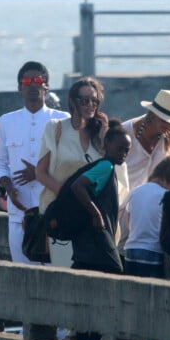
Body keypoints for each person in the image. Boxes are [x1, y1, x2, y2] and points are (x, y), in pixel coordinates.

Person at [0, 61, 69, 264]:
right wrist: (8, 186)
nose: (33, 85)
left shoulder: (63, 121)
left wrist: (37, 172)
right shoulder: (6, 121)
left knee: (57, 270)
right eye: (27, 81)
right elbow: (0, 162)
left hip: (53, 210)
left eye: (38, 80)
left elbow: (69, 164)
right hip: (20, 212)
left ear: (46, 85)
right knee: (22, 271)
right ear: (20, 87)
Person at [36, 76, 111, 267]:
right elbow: (41, 172)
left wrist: (103, 138)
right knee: (64, 271)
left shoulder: (99, 135)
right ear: (72, 101)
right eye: (84, 100)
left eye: (94, 101)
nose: (90, 105)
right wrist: (66, 194)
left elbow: (110, 171)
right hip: (63, 213)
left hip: (92, 216)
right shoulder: (56, 128)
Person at [69, 120, 131, 340]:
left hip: (88, 248)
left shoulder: (109, 167)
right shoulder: (105, 167)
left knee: (89, 300)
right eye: (120, 149)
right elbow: (78, 186)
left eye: (127, 150)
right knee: (113, 275)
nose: (123, 154)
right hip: (97, 246)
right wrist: (96, 214)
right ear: (106, 145)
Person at [118, 89, 170, 260]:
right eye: (165, 120)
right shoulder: (125, 133)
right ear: (152, 114)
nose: (169, 125)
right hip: (120, 205)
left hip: (150, 208)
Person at [124, 155, 170, 279]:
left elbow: (128, 222)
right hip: (153, 251)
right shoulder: (167, 196)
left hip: (131, 249)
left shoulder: (136, 191)